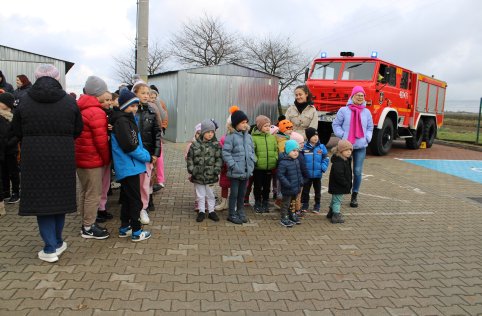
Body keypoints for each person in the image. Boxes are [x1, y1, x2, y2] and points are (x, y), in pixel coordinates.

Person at [12, 64, 84, 263]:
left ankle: (50, 247)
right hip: (63, 156)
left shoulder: (25, 101)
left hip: (34, 157)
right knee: (59, 199)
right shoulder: (69, 102)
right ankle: (57, 242)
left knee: (41, 200)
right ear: (57, 78)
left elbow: (16, 129)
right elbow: (78, 129)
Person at [111, 88, 152, 242]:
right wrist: (146, 156)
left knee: (128, 199)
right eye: (131, 106)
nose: (134, 108)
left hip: (131, 166)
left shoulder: (127, 120)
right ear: (123, 106)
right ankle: (136, 231)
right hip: (129, 166)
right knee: (135, 200)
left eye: (136, 105)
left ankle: (124, 227)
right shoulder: (122, 121)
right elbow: (129, 146)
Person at [75, 76, 111, 240]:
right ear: (99, 92)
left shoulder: (81, 108)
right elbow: (101, 141)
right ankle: (89, 227)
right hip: (92, 160)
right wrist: (106, 159)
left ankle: (85, 223)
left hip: (81, 158)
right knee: (94, 194)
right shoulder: (96, 111)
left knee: (85, 191)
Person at [332, 86, 374, 208]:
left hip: (361, 146)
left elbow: (370, 128)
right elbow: (336, 125)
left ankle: (354, 195)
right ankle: (342, 192)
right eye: (358, 95)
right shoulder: (343, 110)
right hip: (346, 147)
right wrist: (343, 135)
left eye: (362, 95)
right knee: (344, 171)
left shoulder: (367, 112)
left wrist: (367, 138)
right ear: (352, 96)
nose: (360, 97)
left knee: (357, 171)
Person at [133, 82, 161, 225]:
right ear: (135, 94)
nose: (146, 95)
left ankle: (143, 209)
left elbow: (157, 133)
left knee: (145, 184)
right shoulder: (130, 111)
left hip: (147, 154)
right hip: (132, 155)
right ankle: (133, 209)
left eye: (147, 93)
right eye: (142, 93)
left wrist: (156, 154)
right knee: (133, 184)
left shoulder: (152, 111)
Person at [222, 109, 255, 225]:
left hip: (246, 171)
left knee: (242, 194)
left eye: (246, 122)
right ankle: (232, 214)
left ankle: (241, 212)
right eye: (242, 122)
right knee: (234, 194)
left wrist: (252, 162)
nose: (245, 125)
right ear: (236, 124)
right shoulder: (231, 137)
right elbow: (226, 153)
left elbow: (252, 150)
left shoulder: (248, 137)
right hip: (235, 172)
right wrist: (233, 165)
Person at [187, 119, 223, 222]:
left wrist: (216, 170)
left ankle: (211, 211)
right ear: (203, 132)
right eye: (208, 132)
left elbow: (219, 159)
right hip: (198, 175)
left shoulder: (216, 145)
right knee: (200, 194)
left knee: (210, 194)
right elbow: (190, 158)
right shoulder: (195, 145)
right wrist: (192, 170)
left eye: (212, 132)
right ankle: (201, 211)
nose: (210, 134)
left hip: (211, 175)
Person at [251, 115, 278, 213]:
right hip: (258, 168)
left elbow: (275, 150)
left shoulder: (272, 138)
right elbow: (252, 151)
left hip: (269, 166)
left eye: (269, 126)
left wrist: (275, 159)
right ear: (259, 127)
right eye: (265, 126)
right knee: (258, 186)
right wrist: (256, 161)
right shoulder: (253, 138)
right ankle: (257, 202)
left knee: (267, 186)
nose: (268, 128)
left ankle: (265, 201)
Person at [301, 127, 329, 213]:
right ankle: (305, 204)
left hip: (317, 174)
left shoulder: (321, 147)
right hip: (307, 174)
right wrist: (303, 170)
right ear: (309, 137)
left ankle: (317, 205)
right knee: (305, 190)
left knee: (317, 191)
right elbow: (301, 160)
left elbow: (326, 158)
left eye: (316, 135)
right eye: (313, 135)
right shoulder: (304, 147)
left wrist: (322, 167)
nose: (315, 137)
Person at [277, 140, 304, 227]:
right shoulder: (283, 162)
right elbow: (280, 175)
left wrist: (300, 181)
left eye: (297, 151)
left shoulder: (296, 161)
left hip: (295, 187)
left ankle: (292, 214)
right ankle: (284, 217)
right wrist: (287, 184)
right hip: (288, 187)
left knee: (293, 202)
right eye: (293, 151)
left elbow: (298, 172)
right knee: (286, 203)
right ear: (288, 151)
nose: (296, 153)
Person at [0, 93, 20, 204]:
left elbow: (17, 133)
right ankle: (6, 191)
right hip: (1, 149)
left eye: (1, 102)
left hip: (11, 149)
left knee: (13, 171)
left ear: (7, 104)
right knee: (3, 172)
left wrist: (9, 143)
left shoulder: (14, 115)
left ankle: (16, 192)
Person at [327, 140, 353, 224]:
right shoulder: (339, 162)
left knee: (335, 199)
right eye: (346, 150)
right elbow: (339, 175)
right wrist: (345, 183)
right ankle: (336, 215)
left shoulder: (345, 159)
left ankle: (331, 212)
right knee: (337, 201)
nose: (349, 152)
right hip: (338, 185)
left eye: (350, 150)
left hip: (338, 185)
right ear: (341, 151)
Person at [150, 85, 168, 192]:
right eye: (150, 96)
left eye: (154, 96)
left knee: (159, 156)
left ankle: (160, 180)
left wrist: (164, 126)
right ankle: (155, 179)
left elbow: (164, 115)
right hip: (148, 135)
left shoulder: (159, 103)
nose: (152, 98)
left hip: (157, 133)